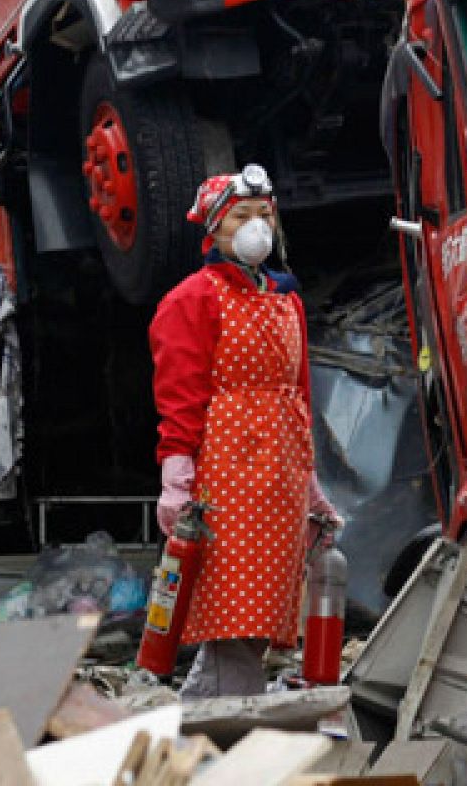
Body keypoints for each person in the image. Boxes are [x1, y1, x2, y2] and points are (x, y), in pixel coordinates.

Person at [149, 164, 341, 698]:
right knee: (232, 605)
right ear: (214, 229)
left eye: (264, 214)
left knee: (263, 607)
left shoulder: (286, 299)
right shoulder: (192, 298)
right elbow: (180, 394)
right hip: (227, 471)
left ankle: (212, 704)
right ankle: (223, 713)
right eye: (241, 216)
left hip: (279, 472)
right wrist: (177, 474)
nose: (257, 226)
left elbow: (299, 394)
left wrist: (310, 483)